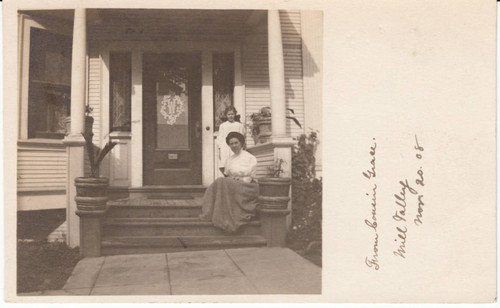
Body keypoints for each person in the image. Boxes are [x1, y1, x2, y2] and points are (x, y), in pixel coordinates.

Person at [200, 131, 259, 233]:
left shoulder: (250, 157)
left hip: (247, 186)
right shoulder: (229, 160)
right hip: (233, 184)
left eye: (236, 143)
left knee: (222, 182)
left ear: (241, 143)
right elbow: (227, 174)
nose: (234, 145)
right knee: (219, 183)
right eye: (231, 144)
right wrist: (232, 179)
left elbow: (251, 177)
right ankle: (212, 213)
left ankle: (224, 217)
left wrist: (241, 179)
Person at [216, 106, 245, 175]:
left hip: (236, 146)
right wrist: (220, 148)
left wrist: (241, 146)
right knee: (224, 164)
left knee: (235, 162)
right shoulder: (223, 125)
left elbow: (242, 136)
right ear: (226, 115)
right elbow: (220, 137)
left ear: (234, 114)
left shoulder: (239, 125)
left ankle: (234, 178)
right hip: (225, 146)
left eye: (232, 114)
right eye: (229, 114)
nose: (230, 116)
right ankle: (227, 177)